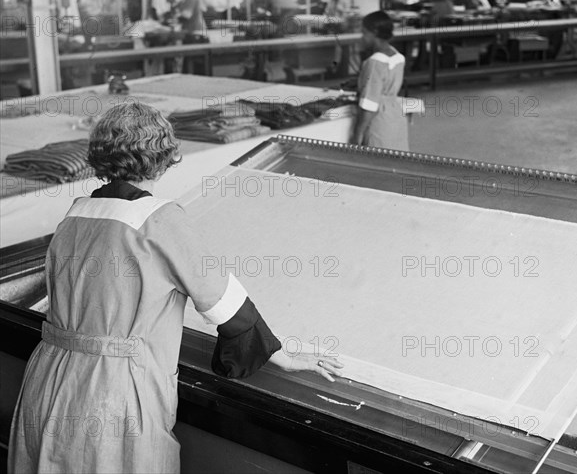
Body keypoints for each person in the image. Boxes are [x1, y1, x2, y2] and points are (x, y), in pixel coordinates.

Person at [7, 103, 343, 474]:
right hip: (114, 394)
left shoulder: (74, 215)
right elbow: (224, 303)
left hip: (48, 381)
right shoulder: (159, 220)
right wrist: (285, 358)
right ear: (165, 157)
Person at [351, 11, 408, 150]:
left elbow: (370, 104)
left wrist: (358, 133)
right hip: (394, 116)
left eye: (364, 33)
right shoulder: (397, 56)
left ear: (374, 33)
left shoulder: (375, 62)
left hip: (378, 121)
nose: (362, 38)